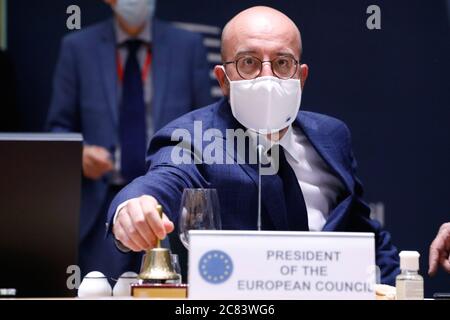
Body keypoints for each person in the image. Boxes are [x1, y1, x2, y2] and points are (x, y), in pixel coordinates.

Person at [107, 6, 400, 285]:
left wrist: (399, 287)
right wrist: (131, 208)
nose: (267, 77)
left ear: (301, 78)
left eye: (283, 63)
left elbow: (365, 236)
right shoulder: (193, 137)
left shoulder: (332, 136)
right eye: (249, 62)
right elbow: (162, 181)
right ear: (223, 79)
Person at [46, 0, 212, 279]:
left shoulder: (187, 45)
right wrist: (80, 154)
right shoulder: (78, 47)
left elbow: (207, 125)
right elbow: (58, 128)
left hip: (169, 203)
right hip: (101, 206)